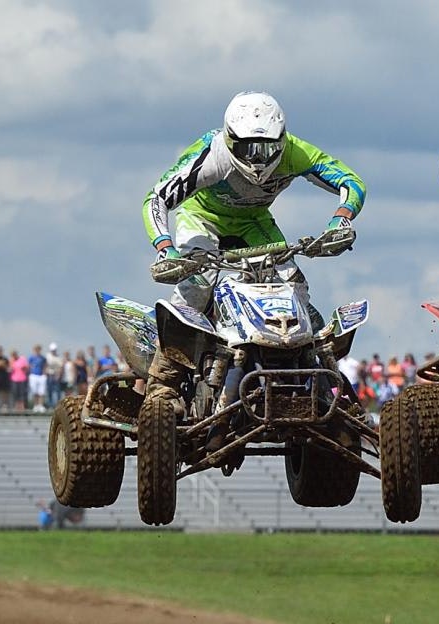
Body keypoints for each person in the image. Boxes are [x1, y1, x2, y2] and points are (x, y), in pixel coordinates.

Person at [139, 90, 365, 401]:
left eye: (267, 148)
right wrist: (166, 248)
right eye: (246, 148)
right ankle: (162, 385)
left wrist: (341, 219)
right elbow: (157, 198)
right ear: (229, 138)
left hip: (253, 221)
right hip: (202, 218)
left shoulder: (296, 153)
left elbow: (351, 181)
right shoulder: (212, 155)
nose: (257, 158)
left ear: (281, 139)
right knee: (196, 287)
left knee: (294, 286)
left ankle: (320, 380)